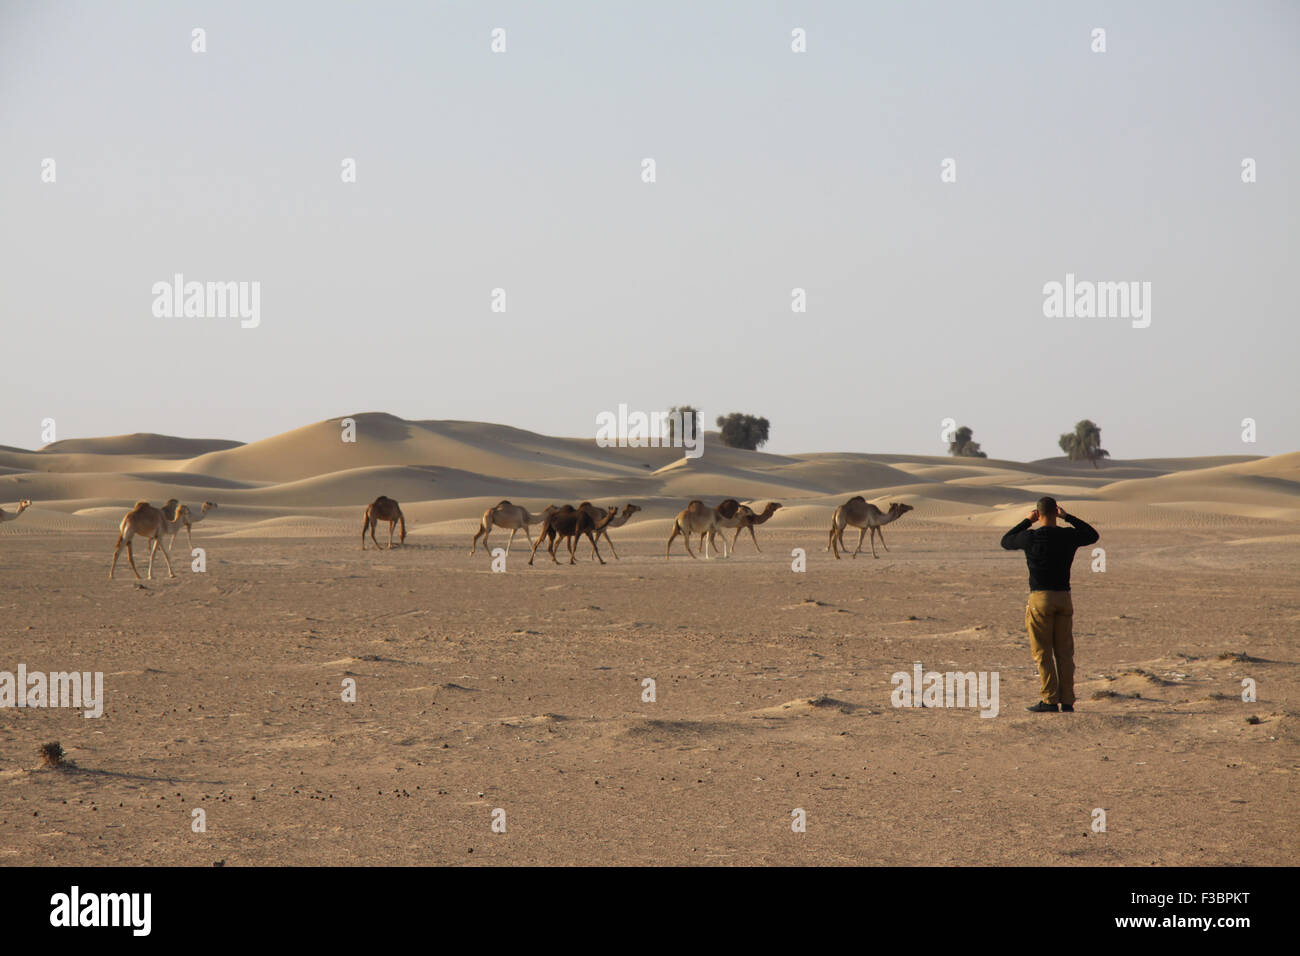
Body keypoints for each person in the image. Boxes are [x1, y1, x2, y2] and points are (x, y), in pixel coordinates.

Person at [1000, 496, 1099, 713]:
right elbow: (1093, 535)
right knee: (1064, 652)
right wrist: (1068, 517)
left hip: (1040, 599)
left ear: (1038, 513)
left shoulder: (1030, 537)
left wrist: (1027, 521)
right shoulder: (1068, 535)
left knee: (1042, 652)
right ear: (1056, 511)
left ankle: (1050, 699)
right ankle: (1068, 700)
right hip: (1064, 597)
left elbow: (1006, 540)